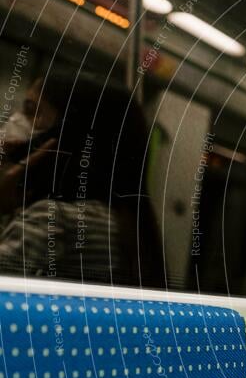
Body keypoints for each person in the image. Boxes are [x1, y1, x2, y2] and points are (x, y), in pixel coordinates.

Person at [0, 72, 165, 287]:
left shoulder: (52, 219)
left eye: (32, 110)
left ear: (69, 131)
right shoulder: (121, 225)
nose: (16, 120)